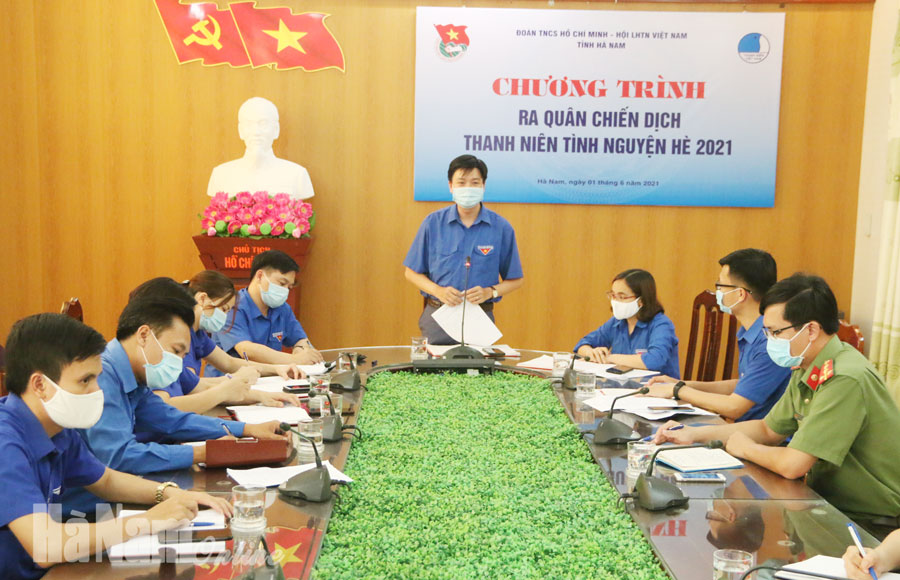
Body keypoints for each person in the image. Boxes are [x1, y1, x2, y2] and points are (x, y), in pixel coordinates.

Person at [653, 274, 900, 531]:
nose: (770, 340)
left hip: (871, 524)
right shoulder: (806, 364)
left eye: (775, 332)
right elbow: (768, 429)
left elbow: (793, 465)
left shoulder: (844, 377)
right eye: (767, 331)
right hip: (826, 507)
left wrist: (745, 448)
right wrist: (694, 434)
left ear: (811, 330)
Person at [0, 313, 232, 579]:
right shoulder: (6, 442)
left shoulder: (56, 428)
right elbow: (45, 546)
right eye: (85, 380)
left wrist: (169, 493)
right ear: (40, 385)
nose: (96, 391)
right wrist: (147, 521)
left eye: (97, 378)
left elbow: (105, 480)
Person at [63, 292, 287, 515]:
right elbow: (120, 456)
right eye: (176, 351)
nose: (178, 363)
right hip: (84, 511)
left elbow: (171, 419)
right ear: (144, 335)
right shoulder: (102, 375)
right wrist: (201, 453)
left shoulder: (133, 374)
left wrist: (247, 429)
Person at [644, 249, 791, 421]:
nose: (718, 291)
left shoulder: (770, 341)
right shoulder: (750, 332)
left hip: (754, 432)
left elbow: (734, 407)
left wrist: (678, 390)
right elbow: (743, 385)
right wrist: (681, 384)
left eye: (720, 285)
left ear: (740, 294)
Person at [129, 274, 302, 417]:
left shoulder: (192, 336)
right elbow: (166, 410)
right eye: (224, 309)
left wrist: (260, 395)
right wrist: (227, 387)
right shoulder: (157, 357)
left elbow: (201, 382)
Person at [403, 154, 524, 345]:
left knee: (478, 365)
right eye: (461, 182)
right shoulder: (433, 223)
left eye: (475, 182)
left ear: (483, 186)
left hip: (480, 318)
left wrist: (490, 292)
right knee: (433, 364)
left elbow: (516, 280)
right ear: (451, 186)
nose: (468, 188)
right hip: (438, 316)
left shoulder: (501, 227)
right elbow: (411, 273)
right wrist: (438, 291)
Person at [212, 250, 323, 369]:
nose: (285, 291)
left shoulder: (283, 309)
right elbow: (246, 350)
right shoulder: (231, 307)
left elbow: (301, 340)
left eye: (289, 287)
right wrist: (295, 360)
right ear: (260, 276)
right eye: (282, 284)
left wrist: (301, 350)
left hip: (272, 377)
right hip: (231, 378)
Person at [574, 268, 680, 378]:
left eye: (622, 297)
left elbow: (654, 360)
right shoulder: (617, 322)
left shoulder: (661, 324)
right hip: (620, 385)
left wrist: (609, 358)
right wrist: (591, 353)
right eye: (613, 295)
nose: (615, 301)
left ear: (641, 301)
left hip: (656, 386)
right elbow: (582, 345)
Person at [207, 96, 314, 200]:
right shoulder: (221, 175)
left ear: (276, 130)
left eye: (263, 124)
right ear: (240, 130)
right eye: (249, 124)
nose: (256, 132)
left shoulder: (297, 175)